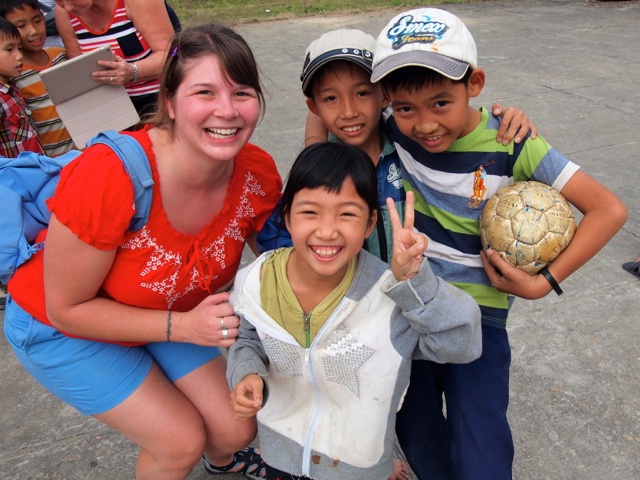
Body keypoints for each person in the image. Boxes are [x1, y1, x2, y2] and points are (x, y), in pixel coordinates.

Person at [4, 23, 283, 479]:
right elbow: (66, 309)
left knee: (235, 429)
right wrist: (185, 326)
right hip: (61, 327)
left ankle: (224, 463)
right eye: (205, 93)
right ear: (169, 102)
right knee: (179, 442)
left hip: (163, 314)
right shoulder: (110, 175)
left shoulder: (255, 171)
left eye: (242, 92)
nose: (228, 111)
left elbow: (282, 262)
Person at [370, 8, 628, 480]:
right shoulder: (390, 127)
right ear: (389, 102)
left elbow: (608, 210)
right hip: (411, 310)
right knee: (418, 431)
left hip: (480, 319)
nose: (425, 124)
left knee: (481, 445)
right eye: (406, 107)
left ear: (475, 83)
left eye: (441, 103)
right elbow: (335, 118)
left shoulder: (514, 142)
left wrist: (543, 282)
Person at [227, 141, 483, 480]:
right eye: (309, 212)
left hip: (357, 466)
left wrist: (415, 283)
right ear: (286, 216)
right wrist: (246, 373)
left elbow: (461, 344)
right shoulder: (257, 281)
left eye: (347, 214)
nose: (327, 231)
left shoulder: (388, 297)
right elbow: (248, 337)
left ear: (369, 223)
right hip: (281, 455)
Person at [257, 27, 538, 262]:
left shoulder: (408, 140)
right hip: (350, 303)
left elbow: (443, 110)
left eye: (363, 93)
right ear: (315, 105)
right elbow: (280, 241)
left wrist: (500, 121)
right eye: (330, 98)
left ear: (386, 95)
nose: (349, 111)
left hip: (414, 291)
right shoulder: (317, 167)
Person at [53, 0, 176, 117]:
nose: (67, 6)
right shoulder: (64, 13)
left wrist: (132, 71)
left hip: (160, 100)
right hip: (112, 109)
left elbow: (172, 55)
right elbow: (80, 70)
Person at [1, 0, 75, 157]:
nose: (34, 31)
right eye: (21, 26)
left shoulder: (61, 55)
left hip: (82, 151)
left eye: (37, 21)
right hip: (49, 162)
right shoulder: (14, 77)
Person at [0, 16, 44, 158]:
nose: (19, 56)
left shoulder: (12, 88)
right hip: (14, 177)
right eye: (9, 49)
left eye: (19, 48)